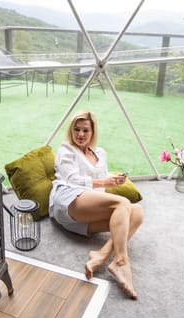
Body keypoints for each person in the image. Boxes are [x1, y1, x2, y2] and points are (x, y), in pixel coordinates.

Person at [49, 110, 144, 299]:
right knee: (123, 203)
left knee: (138, 212)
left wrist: (113, 179)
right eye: (77, 129)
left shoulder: (100, 153)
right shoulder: (66, 149)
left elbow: (99, 180)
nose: (81, 134)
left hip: (86, 211)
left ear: (93, 132)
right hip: (68, 199)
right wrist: (103, 183)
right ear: (71, 130)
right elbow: (72, 178)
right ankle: (121, 261)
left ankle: (101, 255)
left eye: (85, 130)